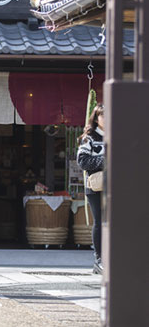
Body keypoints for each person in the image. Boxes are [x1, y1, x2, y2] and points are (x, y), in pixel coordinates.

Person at [77, 103, 105, 274]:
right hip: (95, 185)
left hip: (115, 185)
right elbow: (82, 161)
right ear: (96, 118)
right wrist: (105, 160)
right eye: (103, 115)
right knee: (100, 221)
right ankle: (99, 258)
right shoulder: (89, 137)